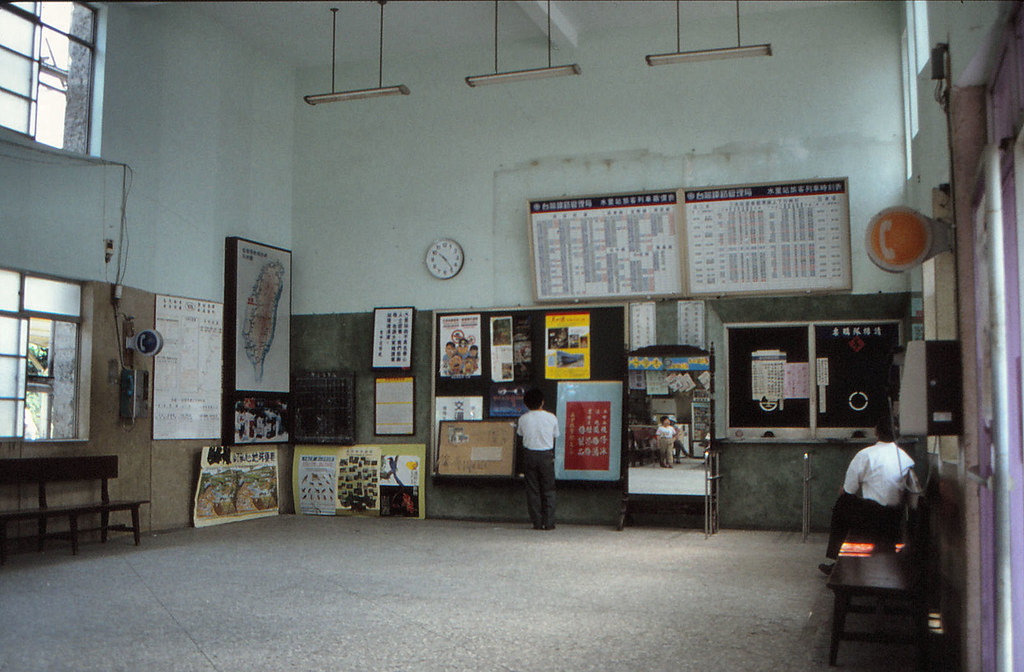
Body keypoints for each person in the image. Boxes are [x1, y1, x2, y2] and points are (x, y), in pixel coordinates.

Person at [818, 417, 915, 575]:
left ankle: (836, 560)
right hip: (895, 516)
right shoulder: (904, 457)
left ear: (876, 432)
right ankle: (838, 560)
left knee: (842, 502)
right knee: (851, 501)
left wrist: (845, 491)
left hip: (873, 517)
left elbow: (849, 489)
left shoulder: (866, 454)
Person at [517, 388, 559, 530]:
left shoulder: (523, 419)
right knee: (549, 489)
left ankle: (537, 522)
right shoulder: (552, 417)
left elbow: (520, 434)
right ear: (542, 402)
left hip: (529, 455)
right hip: (546, 455)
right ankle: (549, 522)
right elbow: (555, 435)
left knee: (533, 490)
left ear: (526, 404)